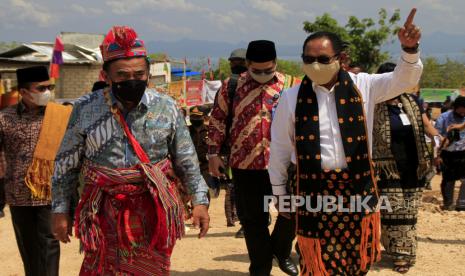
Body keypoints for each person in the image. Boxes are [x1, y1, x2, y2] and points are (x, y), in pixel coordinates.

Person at [268, 8, 422, 275]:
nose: (315, 64)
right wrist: (280, 195)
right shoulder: (292, 98)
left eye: (323, 58)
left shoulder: (365, 85)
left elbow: (404, 79)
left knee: (355, 256)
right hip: (311, 189)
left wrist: (410, 50)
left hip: (356, 187)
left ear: (342, 58)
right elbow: (280, 149)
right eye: (308, 59)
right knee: (317, 259)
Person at [51, 26, 210, 275]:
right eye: (123, 75)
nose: (131, 80)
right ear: (106, 75)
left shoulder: (167, 108)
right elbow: (65, 165)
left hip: (154, 213)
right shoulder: (85, 109)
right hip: (101, 211)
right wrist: (60, 210)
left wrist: (200, 201)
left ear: (148, 74)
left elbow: (186, 160)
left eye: (139, 74)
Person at [209, 40, 298, 276]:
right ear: (247, 64)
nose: (262, 75)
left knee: (294, 211)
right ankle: (260, 268)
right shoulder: (232, 86)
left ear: (276, 63)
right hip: (245, 165)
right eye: (257, 71)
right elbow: (217, 120)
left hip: (284, 164)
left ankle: (280, 249)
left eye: (268, 70)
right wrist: (213, 154)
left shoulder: (290, 85)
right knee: (253, 220)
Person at [0, 65, 72, 276]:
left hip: (50, 192)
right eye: (41, 88)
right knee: (28, 246)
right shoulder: (5, 118)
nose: (46, 92)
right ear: (23, 92)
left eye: (48, 87)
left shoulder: (59, 115)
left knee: (49, 244)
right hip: (18, 194)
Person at [372, 62, 432, 273]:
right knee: (393, 210)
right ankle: (400, 255)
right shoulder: (373, 104)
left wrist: (439, 138)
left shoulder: (411, 102)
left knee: (410, 211)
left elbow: (425, 125)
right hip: (385, 166)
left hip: (413, 166)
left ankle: (403, 251)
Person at [435, 96, 465, 211]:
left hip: (463, 153)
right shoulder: (444, 117)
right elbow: (436, 136)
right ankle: (448, 204)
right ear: (455, 108)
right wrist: (437, 154)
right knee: (448, 179)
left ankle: (462, 204)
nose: (463, 113)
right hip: (448, 154)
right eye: (461, 110)